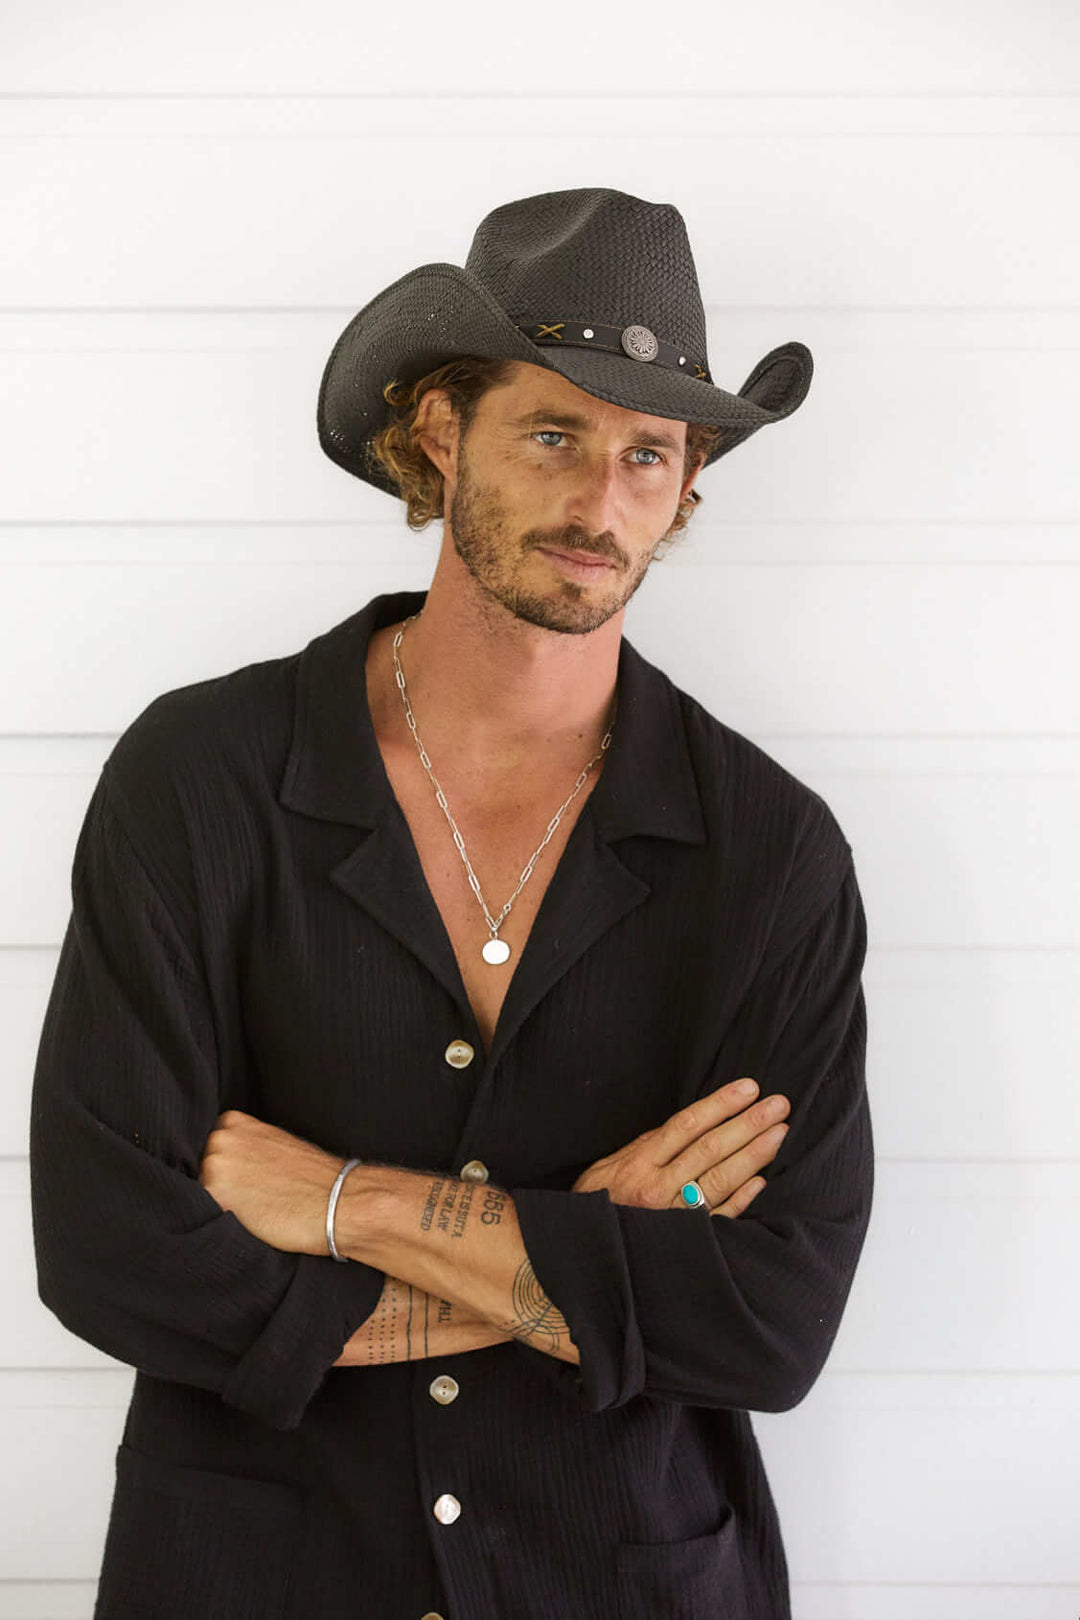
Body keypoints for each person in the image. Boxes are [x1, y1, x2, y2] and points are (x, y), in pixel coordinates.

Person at [29, 187, 874, 1620]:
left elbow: (768, 1321)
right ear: (440, 430)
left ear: (685, 481)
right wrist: (594, 1254)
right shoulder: (202, 781)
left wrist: (346, 1203)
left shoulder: (769, 853)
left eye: (647, 453)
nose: (600, 502)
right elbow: (116, 1252)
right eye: (553, 433)